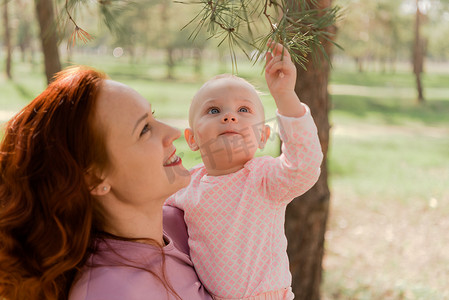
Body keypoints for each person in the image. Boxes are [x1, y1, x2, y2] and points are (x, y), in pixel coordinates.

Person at [0, 66, 212, 300]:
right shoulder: (107, 292)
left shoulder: (188, 220)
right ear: (94, 178)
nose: (173, 132)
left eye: (153, 116)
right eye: (144, 130)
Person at [165, 41, 324, 300]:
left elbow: (305, 164)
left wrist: (284, 96)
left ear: (263, 136)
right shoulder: (187, 183)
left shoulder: (264, 178)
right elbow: (144, 197)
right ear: (192, 139)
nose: (230, 116)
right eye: (214, 110)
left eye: (243, 110)